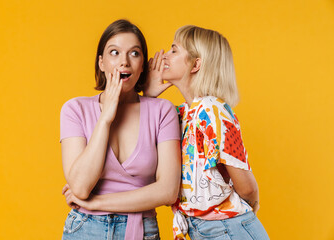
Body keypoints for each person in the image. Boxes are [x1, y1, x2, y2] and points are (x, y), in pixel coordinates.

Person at [60, 19, 181, 240]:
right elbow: (80, 187)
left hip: (142, 230)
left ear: (142, 64)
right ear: (101, 63)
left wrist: (97, 203)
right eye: (114, 52)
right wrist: (105, 118)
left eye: (134, 54)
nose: (124, 62)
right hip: (85, 229)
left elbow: (168, 191)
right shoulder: (75, 109)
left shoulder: (163, 111)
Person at [145, 25, 269, 239]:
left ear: (196, 64)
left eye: (174, 50)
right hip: (202, 229)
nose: (164, 55)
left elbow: (247, 189)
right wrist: (148, 96)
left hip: (228, 229)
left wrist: (240, 218)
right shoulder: (182, 113)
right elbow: (143, 135)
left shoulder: (212, 110)